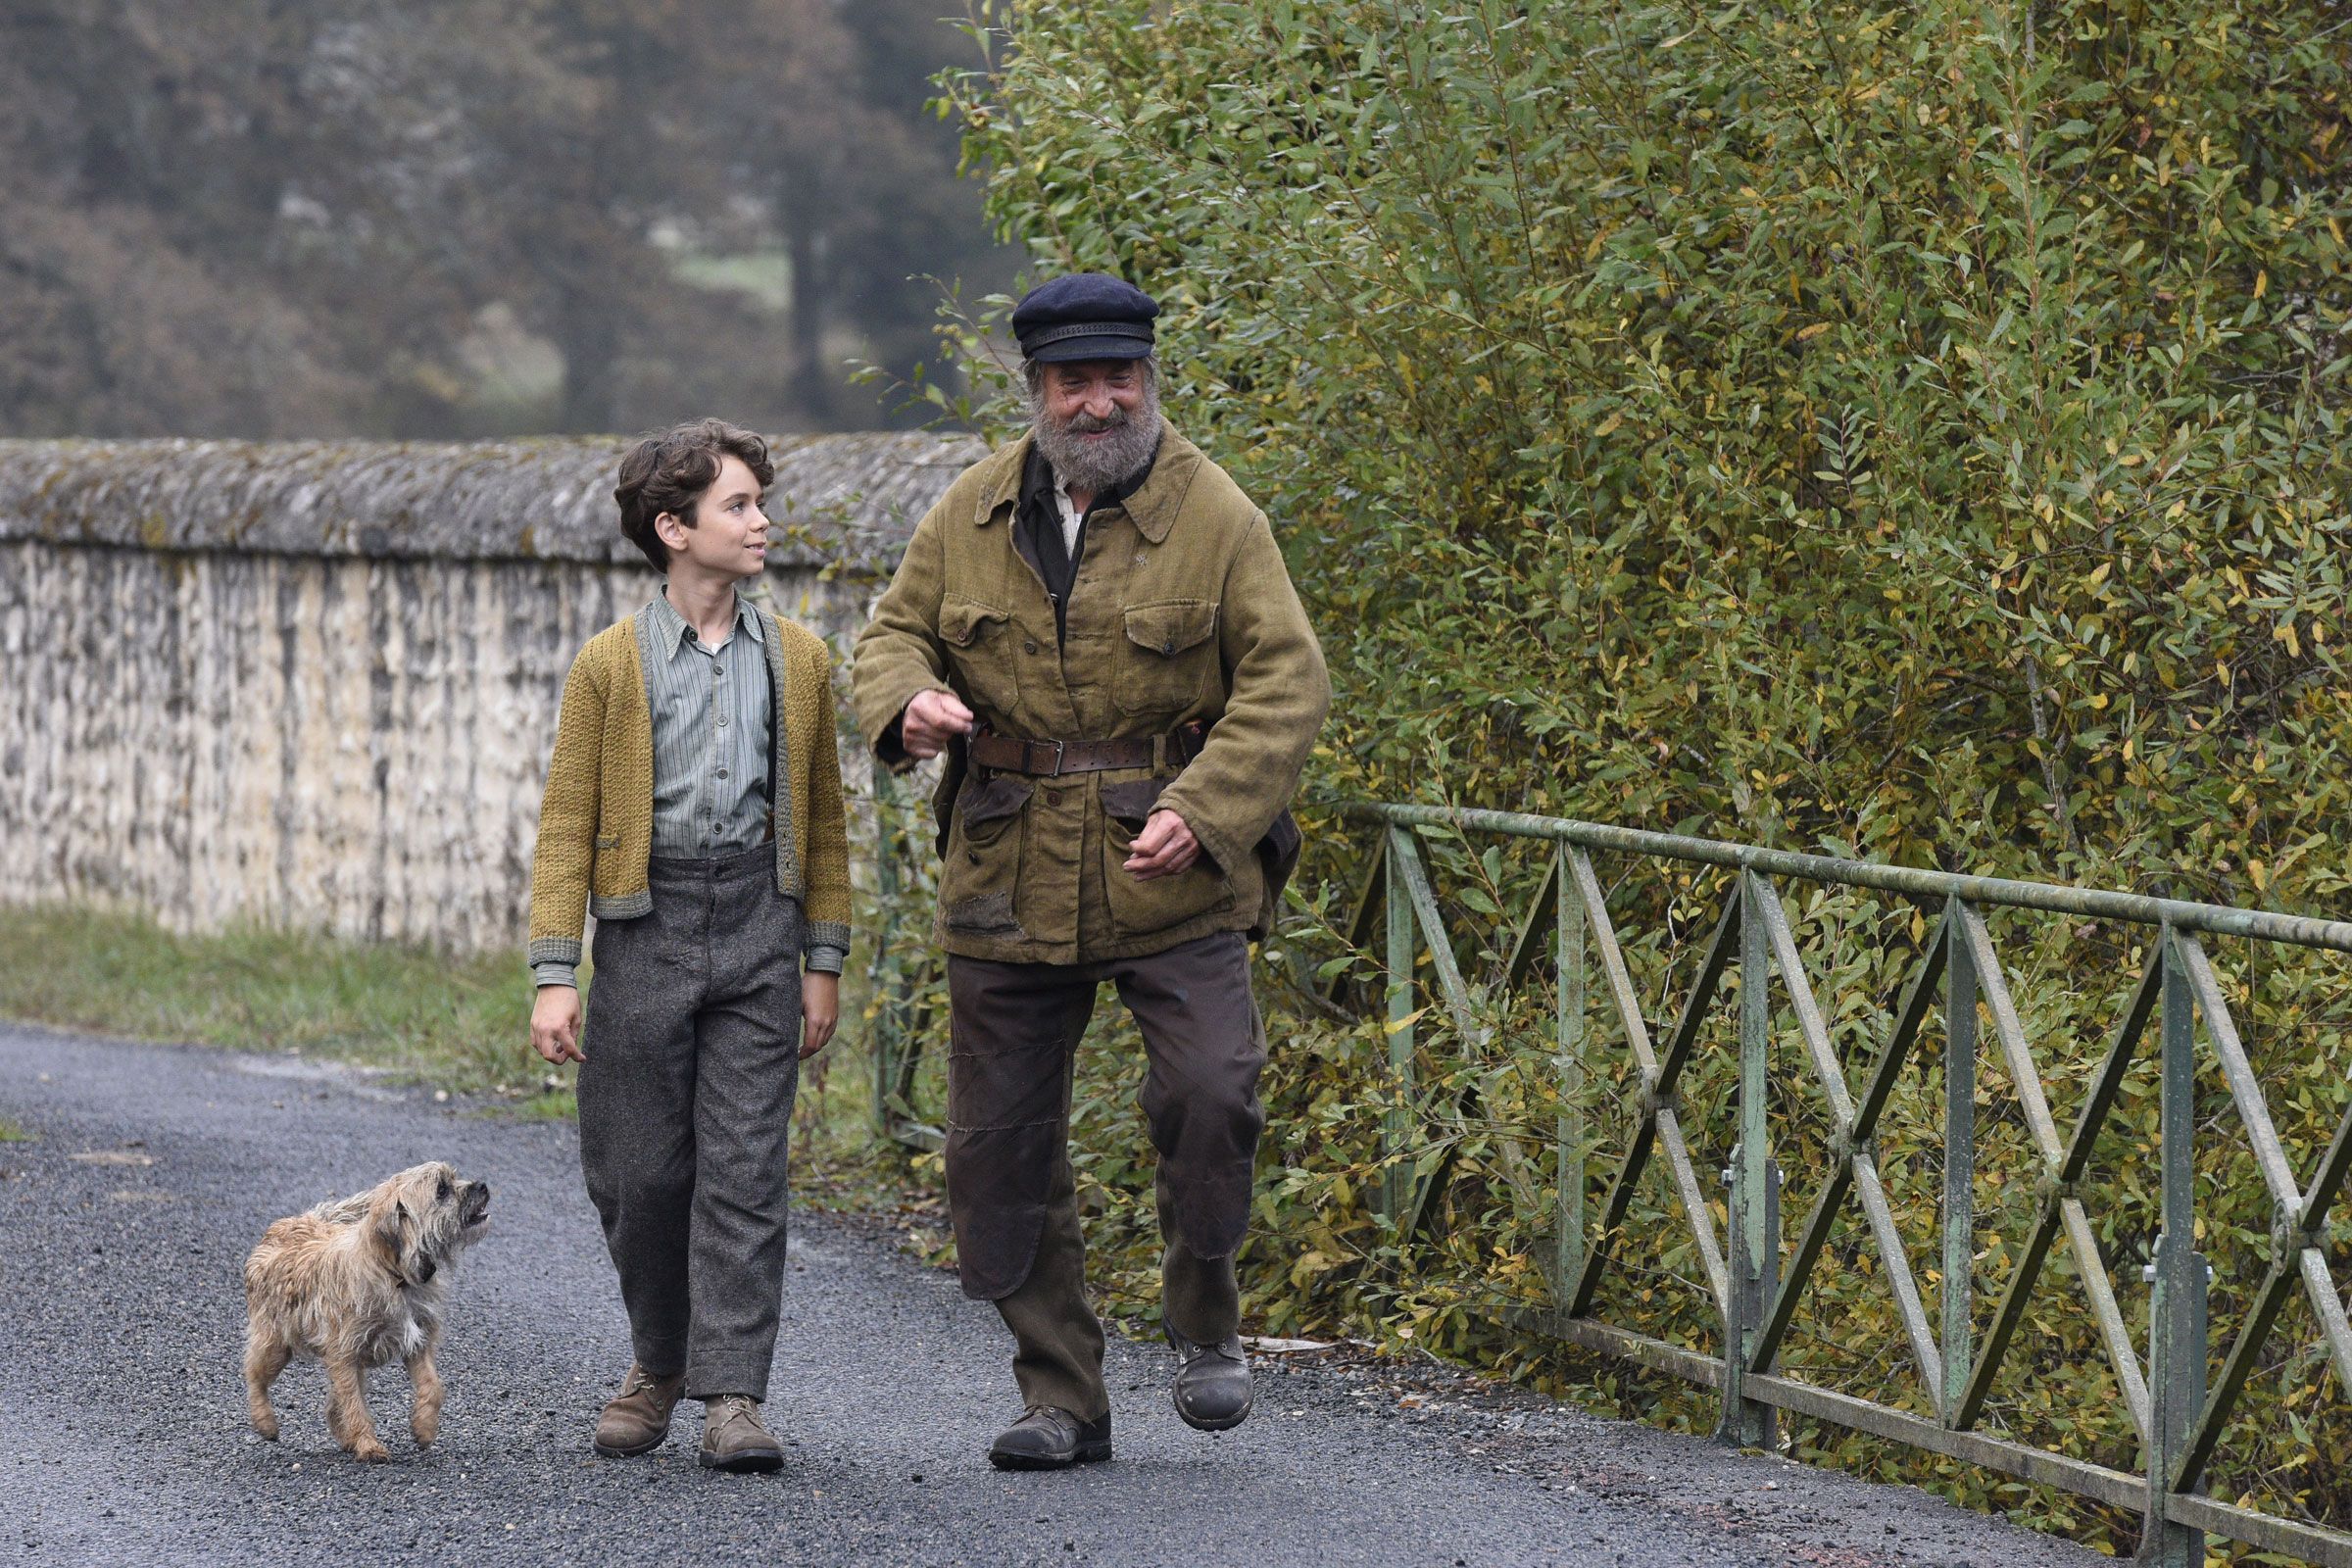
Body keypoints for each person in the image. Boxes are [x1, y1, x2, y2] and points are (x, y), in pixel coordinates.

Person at [852, 272, 1330, 1469]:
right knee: (997, 1146)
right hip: (1006, 864)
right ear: (1040, 393)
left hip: (1170, 870)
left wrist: (1207, 811)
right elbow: (890, 634)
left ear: (1148, 381)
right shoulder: (967, 512)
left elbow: (1287, 680)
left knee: (1212, 1094)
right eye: (1077, 381)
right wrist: (903, 702)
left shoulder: (1217, 514)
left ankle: (1205, 1318)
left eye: (1122, 377)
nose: (1102, 400)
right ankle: (1060, 1394)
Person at [525, 417, 852, 1473]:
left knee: (746, 1172)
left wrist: (823, 959)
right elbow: (566, 822)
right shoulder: (609, 665)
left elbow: (827, 822)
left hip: (760, 925)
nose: (762, 521)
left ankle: (733, 1396)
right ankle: (658, 1360)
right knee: (637, 1174)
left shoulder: (800, 661)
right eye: (739, 505)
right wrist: (552, 974)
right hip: (644, 931)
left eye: (760, 501)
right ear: (675, 528)